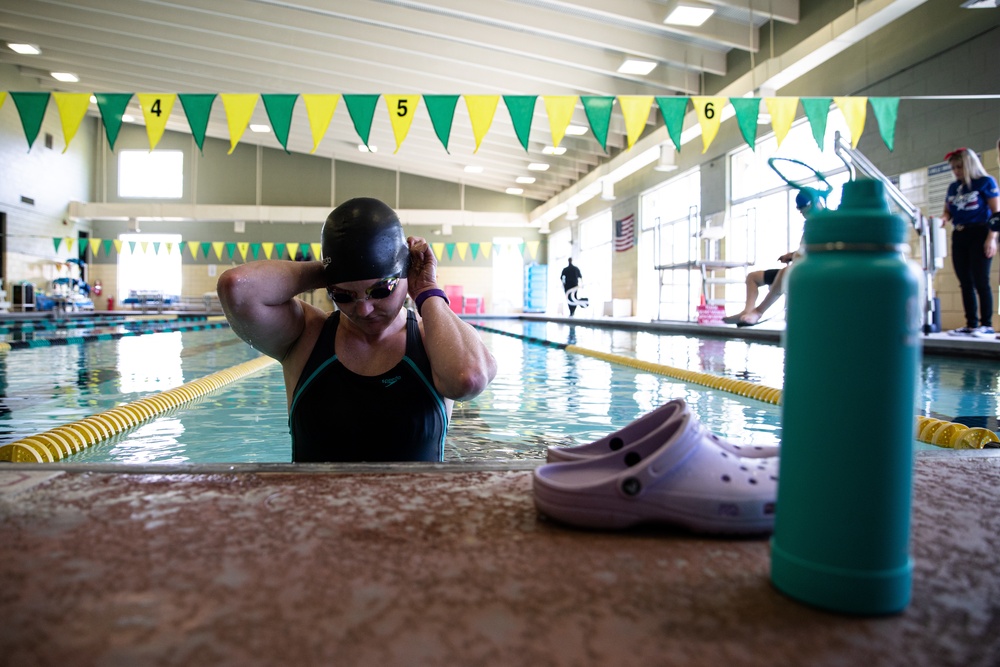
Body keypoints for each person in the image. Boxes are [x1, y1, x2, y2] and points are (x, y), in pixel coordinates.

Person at [217, 197, 497, 462]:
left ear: (405, 272)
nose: (363, 309)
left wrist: (426, 290)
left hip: (415, 513)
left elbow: (469, 379)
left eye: (380, 289)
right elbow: (238, 288)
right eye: (342, 295)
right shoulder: (306, 337)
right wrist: (333, 267)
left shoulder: (432, 340)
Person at [723, 187, 826, 327]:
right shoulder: (809, 226)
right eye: (799, 209)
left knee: (787, 272)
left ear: (815, 203)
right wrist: (791, 255)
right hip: (796, 268)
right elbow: (804, 250)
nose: (801, 212)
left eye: (804, 208)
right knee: (752, 277)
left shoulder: (829, 224)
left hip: (809, 273)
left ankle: (758, 312)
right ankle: (746, 312)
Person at [942, 147, 999, 337]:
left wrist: (992, 238)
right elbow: (947, 212)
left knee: (981, 279)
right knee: (965, 281)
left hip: (980, 232)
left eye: (959, 167)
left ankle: (987, 324)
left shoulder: (985, 182)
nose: (956, 171)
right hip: (959, 234)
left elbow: (996, 213)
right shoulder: (953, 187)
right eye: (953, 168)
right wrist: (939, 220)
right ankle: (971, 324)